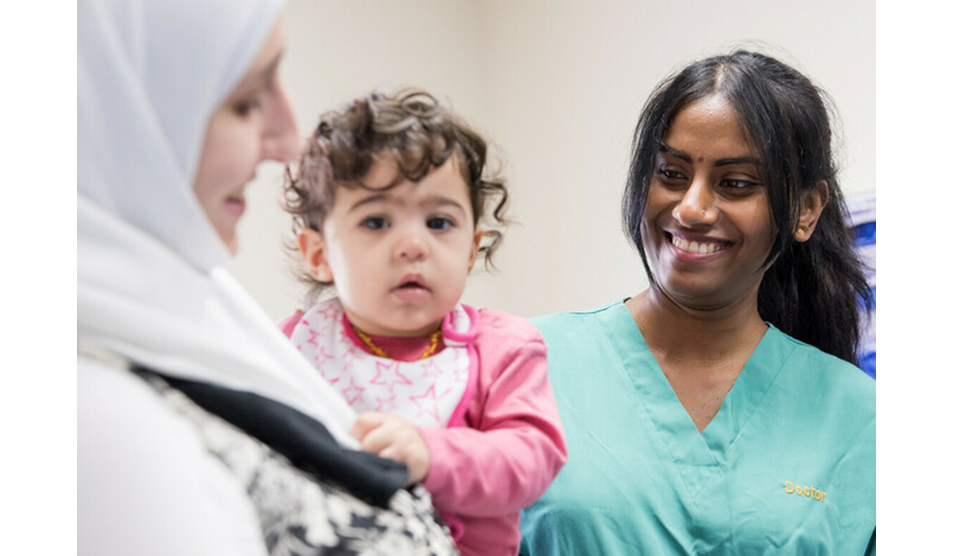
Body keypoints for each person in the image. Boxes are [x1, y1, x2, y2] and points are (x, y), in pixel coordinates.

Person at [77, 1, 459, 554]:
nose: (288, 139)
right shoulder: (106, 428)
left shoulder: (192, 302)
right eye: (246, 101)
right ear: (117, 117)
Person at [518, 50, 876, 555]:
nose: (690, 208)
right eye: (671, 173)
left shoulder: (859, 420)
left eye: (736, 184)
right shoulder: (523, 365)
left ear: (805, 210)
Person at [277, 89, 568, 556]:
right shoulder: (293, 346)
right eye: (376, 222)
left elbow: (533, 457)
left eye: (438, 223)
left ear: (472, 248)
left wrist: (430, 454)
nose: (413, 245)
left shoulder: (502, 348)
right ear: (319, 254)